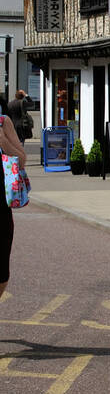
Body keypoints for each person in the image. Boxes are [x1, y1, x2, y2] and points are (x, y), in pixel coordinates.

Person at [0, 108, 27, 299]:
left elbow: (22, 160)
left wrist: (2, 141)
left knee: (2, 275)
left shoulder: (3, 122)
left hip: (0, 211)